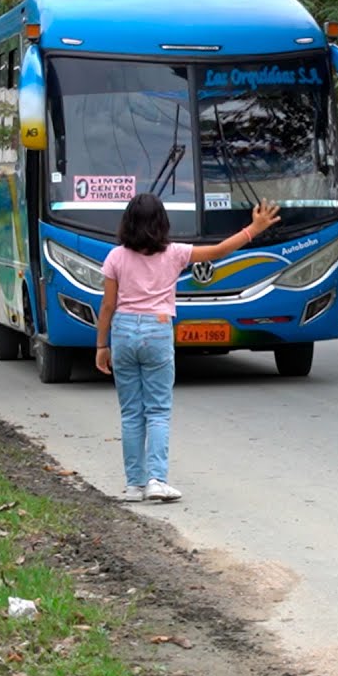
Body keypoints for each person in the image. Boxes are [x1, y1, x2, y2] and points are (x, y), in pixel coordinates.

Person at [95, 192, 280, 502]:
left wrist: (102, 345)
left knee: (131, 413)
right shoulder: (175, 253)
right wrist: (254, 229)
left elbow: (107, 306)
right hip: (157, 329)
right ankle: (157, 480)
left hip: (123, 331)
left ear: (127, 223)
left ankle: (134, 485)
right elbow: (219, 251)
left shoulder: (115, 257)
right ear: (162, 223)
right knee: (157, 411)